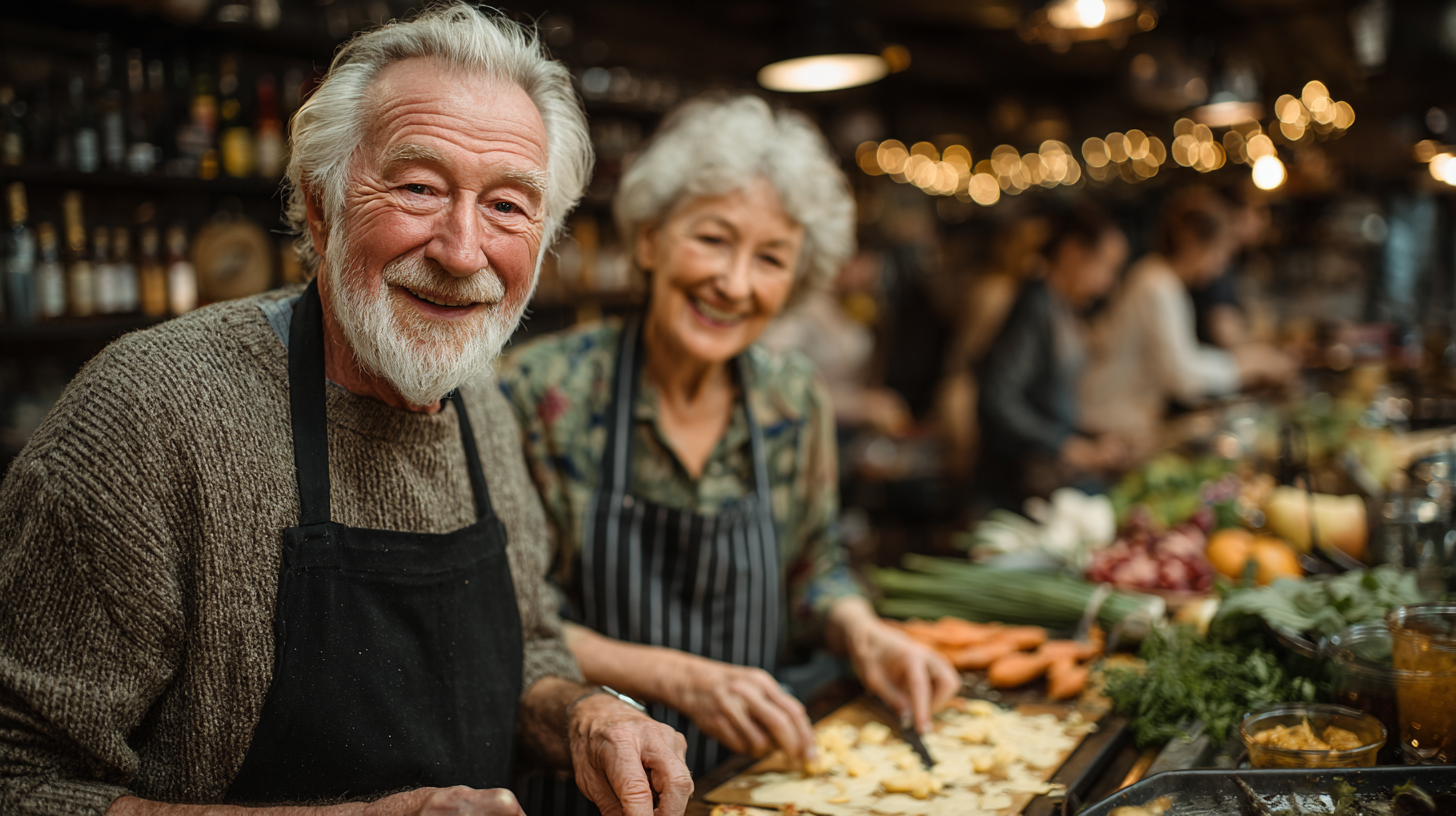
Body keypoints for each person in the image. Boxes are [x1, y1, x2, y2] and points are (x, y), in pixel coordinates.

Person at [0, 8, 691, 816]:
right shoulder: (148, 419)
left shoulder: (486, 413)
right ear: (320, 203)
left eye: (508, 205)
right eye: (419, 188)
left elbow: (524, 648)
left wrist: (583, 713)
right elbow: (20, 780)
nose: (462, 252)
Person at [498, 96, 960, 797]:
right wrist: (684, 680)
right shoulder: (544, 391)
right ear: (649, 239)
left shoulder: (791, 398)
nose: (735, 283)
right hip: (593, 783)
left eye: (771, 258)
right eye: (712, 239)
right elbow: (518, 620)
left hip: (759, 778)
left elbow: (816, 567)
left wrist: (863, 630)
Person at [1079, 189, 1292, 449]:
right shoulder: (1156, 285)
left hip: (1123, 420)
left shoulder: (1161, 280)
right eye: (1218, 252)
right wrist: (1247, 365)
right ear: (1190, 241)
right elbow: (1181, 375)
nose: (1219, 266)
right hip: (1107, 423)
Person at [976, 204, 1129, 505]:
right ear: (1073, 252)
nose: (1107, 285)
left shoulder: (1058, 305)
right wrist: (1064, 445)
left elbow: (1050, 399)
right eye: (1105, 267)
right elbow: (997, 399)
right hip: (1019, 486)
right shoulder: (1035, 306)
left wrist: (1090, 438)